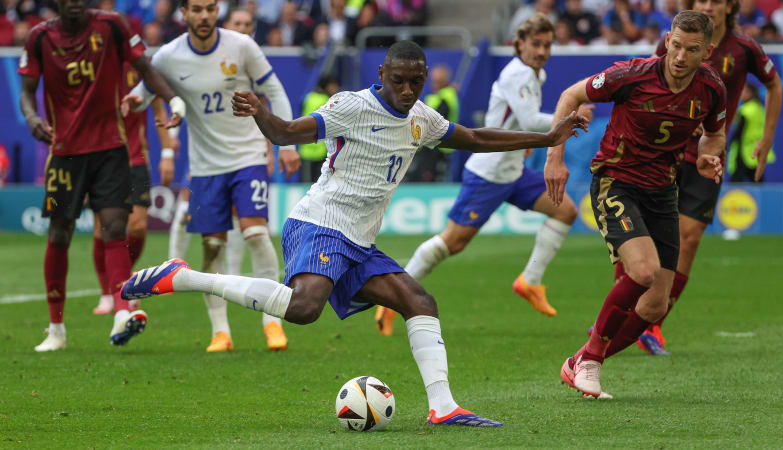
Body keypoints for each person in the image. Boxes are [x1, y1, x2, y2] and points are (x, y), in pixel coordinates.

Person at [122, 40, 588, 426]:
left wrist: (548, 138)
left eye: (416, 81)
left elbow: (477, 138)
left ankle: (444, 408)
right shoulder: (351, 106)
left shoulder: (422, 118)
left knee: (419, 301)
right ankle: (185, 277)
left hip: (359, 241)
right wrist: (261, 112)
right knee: (304, 308)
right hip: (320, 222)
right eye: (399, 80)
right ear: (382, 74)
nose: (407, 90)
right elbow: (285, 133)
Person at [375, 15, 594, 337]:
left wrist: (526, 144)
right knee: (452, 242)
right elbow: (529, 119)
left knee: (565, 211)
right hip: (489, 174)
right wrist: (569, 117)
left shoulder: (535, 73)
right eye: (535, 44)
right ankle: (393, 298)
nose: (541, 51)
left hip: (513, 171)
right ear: (519, 44)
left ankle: (530, 281)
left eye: (547, 45)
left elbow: (514, 120)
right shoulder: (517, 73)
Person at [545, 11, 726, 398]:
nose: (680, 56)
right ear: (667, 40)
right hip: (617, 182)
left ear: (707, 52)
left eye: (692, 50)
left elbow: (715, 133)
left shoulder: (712, 88)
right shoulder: (631, 75)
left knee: (656, 305)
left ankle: (581, 360)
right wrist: (554, 158)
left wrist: (708, 155)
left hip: (663, 192)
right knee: (643, 271)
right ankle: (591, 360)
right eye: (676, 46)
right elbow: (571, 96)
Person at [125, 0, 301, 353]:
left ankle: (272, 322)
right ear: (184, 14)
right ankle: (221, 332)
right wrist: (130, 102)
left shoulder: (241, 46)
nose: (204, 15)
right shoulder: (169, 55)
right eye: (196, 9)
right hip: (206, 167)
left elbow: (275, 91)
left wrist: (286, 143)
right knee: (212, 246)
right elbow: (142, 94)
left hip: (248, 156)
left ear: (216, 11)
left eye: (209, 8)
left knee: (254, 232)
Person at [617, 0, 782, 354]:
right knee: (640, 231)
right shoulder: (673, 42)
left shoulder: (744, 48)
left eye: (716, 0)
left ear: (729, 6)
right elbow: (648, 85)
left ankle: (653, 325)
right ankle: (620, 314)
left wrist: (767, 137)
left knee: (688, 239)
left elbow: (774, 85)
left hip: (708, 157)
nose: (708, 5)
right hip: (665, 152)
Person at [18, 0, 183, 352]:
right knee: (59, 233)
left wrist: (174, 100)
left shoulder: (111, 26)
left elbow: (147, 67)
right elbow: (27, 93)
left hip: (111, 151)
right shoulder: (39, 38)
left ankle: (121, 311)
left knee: (116, 228)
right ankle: (56, 328)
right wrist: (32, 118)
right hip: (64, 155)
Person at [93, 65, 177, 315]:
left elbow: (159, 110)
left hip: (136, 159)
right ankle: (107, 293)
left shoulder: (141, 67)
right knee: (102, 227)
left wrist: (167, 153)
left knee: (138, 226)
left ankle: (121, 278)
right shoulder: (96, 64)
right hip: (101, 159)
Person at [728, 82, 775, 182]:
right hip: (757, 151)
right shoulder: (760, 109)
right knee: (757, 180)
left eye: (744, 91)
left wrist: (728, 143)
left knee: (735, 183)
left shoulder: (745, 110)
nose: (741, 94)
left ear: (751, 93)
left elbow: (738, 132)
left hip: (743, 152)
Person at [299, 74, 339, 183]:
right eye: (333, 85)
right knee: (319, 184)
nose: (335, 88)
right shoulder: (327, 101)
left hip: (306, 149)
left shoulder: (308, 97)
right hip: (321, 151)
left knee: (306, 186)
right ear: (327, 85)